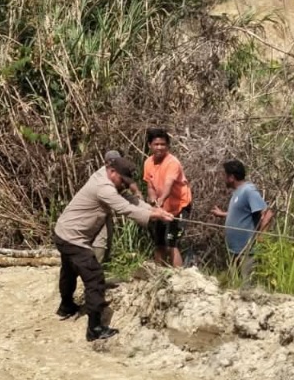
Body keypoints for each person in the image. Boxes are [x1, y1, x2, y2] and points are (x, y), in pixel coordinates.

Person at [54, 156, 173, 341]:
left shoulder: (106, 177)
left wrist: (152, 210)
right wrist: (152, 216)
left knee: (69, 270)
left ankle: (66, 307)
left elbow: (129, 199)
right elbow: (124, 208)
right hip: (73, 238)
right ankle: (95, 329)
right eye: (122, 181)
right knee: (94, 277)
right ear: (112, 172)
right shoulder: (104, 188)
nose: (124, 185)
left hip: (64, 233)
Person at [211, 160, 274, 280]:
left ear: (231, 177)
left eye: (225, 175)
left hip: (247, 251)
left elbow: (268, 214)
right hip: (235, 250)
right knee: (235, 285)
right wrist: (223, 214)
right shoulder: (238, 192)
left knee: (247, 286)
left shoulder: (248, 191)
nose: (223, 178)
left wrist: (261, 236)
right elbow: (242, 213)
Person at [142, 128, 192, 267]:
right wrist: (152, 200)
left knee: (171, 243)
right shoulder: (148, 163)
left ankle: (179, 278)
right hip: (161, 208)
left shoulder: (172, 163)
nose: (159, 148)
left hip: (179, 206)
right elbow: (150, 186)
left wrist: (161, 200)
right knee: (159, 243)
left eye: (163, 144)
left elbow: (168, 186)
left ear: (168, 146)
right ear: (149, 145)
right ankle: (159, 275)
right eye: (156, 144)